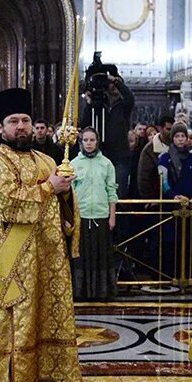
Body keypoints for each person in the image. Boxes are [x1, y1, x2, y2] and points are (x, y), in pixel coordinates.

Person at [0, 87, 81, 382]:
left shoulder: (46, 158)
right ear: (1, 127)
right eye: (14, 121)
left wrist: (65, 191)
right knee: (15, 320)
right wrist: (51, 186)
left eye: (25, 120)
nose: (21, 126)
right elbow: (5, 204)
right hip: (14, 259)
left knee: (46, 317)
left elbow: (63, 204)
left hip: (48, 257)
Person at [69, 128, 118, 301]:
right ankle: (80, 292)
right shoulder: (73, 164)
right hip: (80, 216)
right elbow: (69, 194)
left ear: (97, 142)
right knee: (81, 255)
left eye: (92, 140)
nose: (89, 143)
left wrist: (112, 216)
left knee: (100, 255)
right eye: (86, 140)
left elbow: (111, 191)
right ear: (81, 142)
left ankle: (101, 292)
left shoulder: (106, 164)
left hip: (101, 215)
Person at [78, 72, 135, 198]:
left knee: (119, 192)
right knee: (100, 191)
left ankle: (118, 216)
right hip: (101, 154)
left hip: (120, 156)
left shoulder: (124, 106)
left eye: (116, 84)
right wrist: (89, 103)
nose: (113, 86)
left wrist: (114, 80)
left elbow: (130, 97)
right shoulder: (98, 105)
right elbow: (85, 124)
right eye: (110, 84)